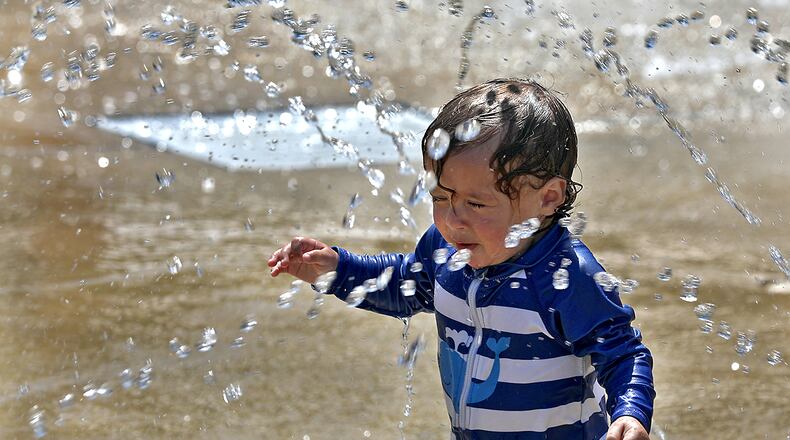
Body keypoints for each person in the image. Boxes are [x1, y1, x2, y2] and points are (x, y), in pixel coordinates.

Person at [268, 78, 655, 440]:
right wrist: (339, 270)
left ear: (547, 198)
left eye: (475, 203)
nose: (452, 221)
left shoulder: (565, 277)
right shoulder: (445, 252)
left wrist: (630, 413)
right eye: (440, 198)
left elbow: (624, 353)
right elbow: (405, 285)